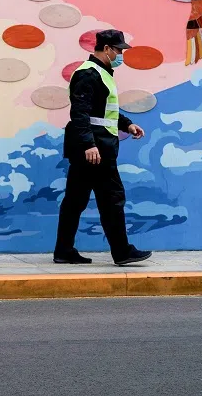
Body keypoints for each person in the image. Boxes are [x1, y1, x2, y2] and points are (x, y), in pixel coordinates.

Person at [54, 29, 153, 266]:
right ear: (106, 49)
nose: (121, 54)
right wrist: (89, 144)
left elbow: (104, 111)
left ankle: (63, 250)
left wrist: (127, 125)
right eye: (118, 50)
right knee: (112, 198)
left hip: (94, 146)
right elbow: (79, 112)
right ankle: (122, 252)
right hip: (95, 149)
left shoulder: (102, 73)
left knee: (75, 200)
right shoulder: (88, 74)